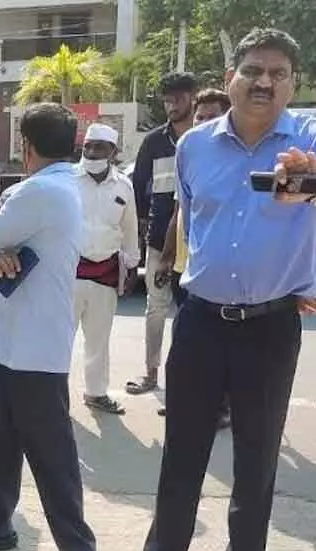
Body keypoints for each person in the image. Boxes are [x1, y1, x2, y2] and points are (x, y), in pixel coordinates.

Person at [108, 29, 316, 551]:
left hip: (270, 327)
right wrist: (178, 272)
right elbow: (190, 216)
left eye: (278, 73)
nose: (264, 82)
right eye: (253, 70)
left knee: (256, 461)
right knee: (182, 452)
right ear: (231, 75)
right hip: (202, 319)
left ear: (292, 82)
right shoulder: (196, 145)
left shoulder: (313, 140)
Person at [0, 103, 105, 551]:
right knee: (1, 445)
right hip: (9, 344)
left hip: (33, 350)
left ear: (26, 146)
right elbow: (0, 246)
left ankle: (80, 549)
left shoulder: (39, 190)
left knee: (51, 452)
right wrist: (2, 254)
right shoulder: (65, 187)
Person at [157, 88, 233, 426]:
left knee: (220, 346)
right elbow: (179, 212)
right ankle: (183, 403)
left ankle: (222, 407)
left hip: (220, 272)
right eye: (199, 117)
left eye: (211, 116)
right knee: (186, 340)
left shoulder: (237, 161)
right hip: (184, 267)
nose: (203, 122)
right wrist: (165, 257)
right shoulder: (191, 155)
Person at [127, 71, 199, 397]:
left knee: (191, 316)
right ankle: (150, 374)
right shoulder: (155, 141)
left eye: (178, 99)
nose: (172, 106)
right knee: (155, 309)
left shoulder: (206, 138)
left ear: (193, 97)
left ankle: (188, 382)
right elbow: (138, 190)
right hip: (158, 240)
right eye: (167, 100)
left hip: (199, 242)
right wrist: (142, 228)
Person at [72, 122, 139, 415]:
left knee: (98, 339)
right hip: (68, 271)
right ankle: (53, 396)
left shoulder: (124, 185)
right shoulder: (67, 180)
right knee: (60, 339)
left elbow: (130, 227)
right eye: (88, 146)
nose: (92, 151)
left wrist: (132, 264)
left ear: (112, 151)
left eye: (99, 147)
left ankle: (96, 393)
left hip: (105, 273)